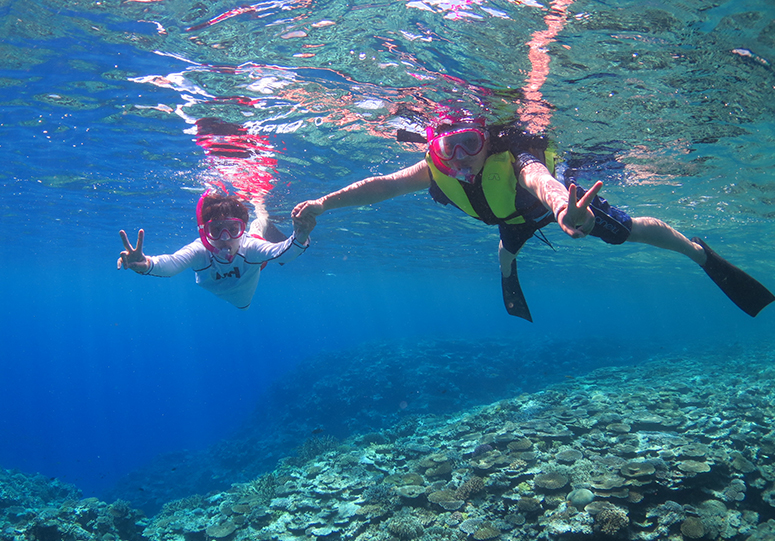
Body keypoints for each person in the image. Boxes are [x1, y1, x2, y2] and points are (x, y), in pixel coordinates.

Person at [292, 111, 774, 321]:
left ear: (487, 141)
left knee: (625, 232)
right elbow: (378, 188)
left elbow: (541, 180)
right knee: (505, 247)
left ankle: (697, 254)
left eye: (471, 144)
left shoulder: (515, 159)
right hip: (511, 219)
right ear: (434, 148)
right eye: (449, 147)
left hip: (558, 209)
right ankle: (509, 274)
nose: (460, 157)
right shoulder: (431, 170)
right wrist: (321, 204)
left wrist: (565, 207)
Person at [118, 193, 315, 309]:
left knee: (258, 230)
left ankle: (261, 218)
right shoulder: (200, 250)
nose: (225, 238)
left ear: (241, 230)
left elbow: (281, 253)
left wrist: (300, 236)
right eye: (216, 230)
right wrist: (146, 264)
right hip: (238, 292)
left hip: (252, 267)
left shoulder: (250, 247)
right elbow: (172, 263)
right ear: (205, 233)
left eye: (233, 229)